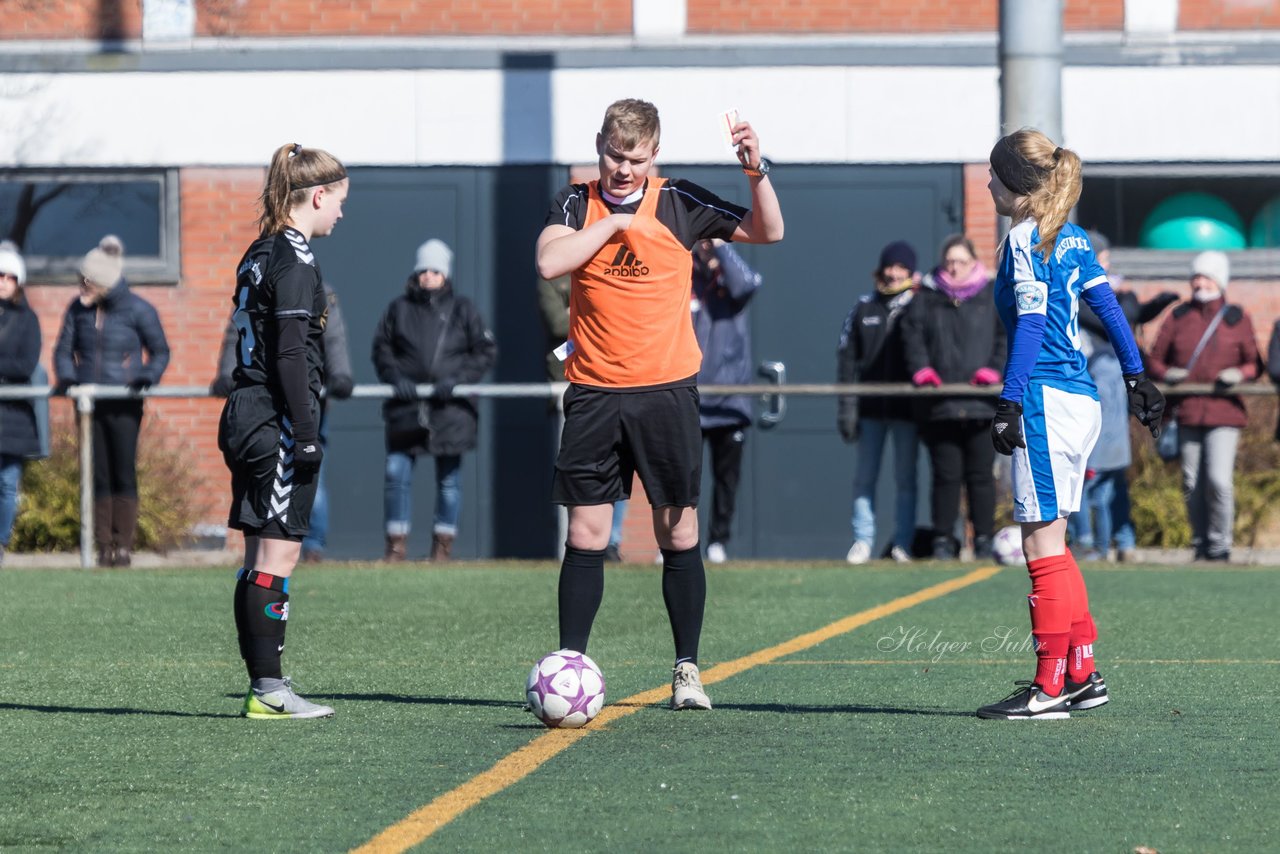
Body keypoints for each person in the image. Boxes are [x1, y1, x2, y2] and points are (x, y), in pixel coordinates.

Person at [535, 98, 783, 711]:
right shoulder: (575, 202)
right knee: (587, 533)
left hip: (667, 393)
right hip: (594, 393)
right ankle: (571, 663)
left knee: (679, 531)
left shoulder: (679, 200)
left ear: (655, 155)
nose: (624, 170)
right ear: (600, 146)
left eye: (637, 159)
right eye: (615, 156)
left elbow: (768, 231)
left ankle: (687, 670)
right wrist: (614, 226)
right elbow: (548, 262)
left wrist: (757, 170)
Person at [977, 129, 1163, 720]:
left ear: (1016, 184)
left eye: (994, 174)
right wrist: (1137, 378)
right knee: (1055, 541)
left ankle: (1049, 686)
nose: (986, 183)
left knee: (1039, 543)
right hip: (1081, 398)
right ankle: (1081, 675)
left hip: (1044, 397)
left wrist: (1008, 401)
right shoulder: (1075, 237)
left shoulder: (1024, 238)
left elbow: (1031, 327)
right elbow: (1109, 309)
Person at [217, 142, 348, 720]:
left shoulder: (258, 251)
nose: (342, 214)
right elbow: (291, 353)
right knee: (278, 558)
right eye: (340, 201)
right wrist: (307, 429)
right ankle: (269, 691)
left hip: (245, 409)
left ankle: (264, 685)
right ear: (317, 196)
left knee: (257, 558)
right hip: (273, 417)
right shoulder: (295, 260)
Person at [373, 238, 497, 562]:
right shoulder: (398, 310)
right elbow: (382, 350)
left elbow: (484, 352)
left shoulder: (464, 310)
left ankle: (442, 548)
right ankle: (395, 546)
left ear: (446, 274)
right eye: (423, 270)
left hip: (451, 412)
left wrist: (456, 381)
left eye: (435, 270)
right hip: (407, 409)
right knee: (396, 474)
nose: (428, 276)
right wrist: (396, 379)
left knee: (449, 481)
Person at [212, 281, 353, 563]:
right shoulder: (255, 286)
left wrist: (340, 374)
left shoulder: (318, 290)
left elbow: (332, 336)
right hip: (268, 400)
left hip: (308, 399)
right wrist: (227, 373)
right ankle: (270, 544)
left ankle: (313, 544)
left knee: (311, 471)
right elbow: (238, 333)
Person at [54, 235, 170, 568]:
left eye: (86, 281)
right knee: (97, 473)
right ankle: (101, 545)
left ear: (103, 282)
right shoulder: (77, 310)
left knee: (123, 470)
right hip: (89, 404)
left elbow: (160, 350)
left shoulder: (139, 309)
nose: (81, 287)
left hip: (124, 404)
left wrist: (146, 377)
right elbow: (63, 350)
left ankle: (123, 546)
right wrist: (68, 379)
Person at [1068, 232, 1179, 561]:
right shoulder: (1075, 293)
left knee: (1110, 474)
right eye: (1101, 257)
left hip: (1114, 397)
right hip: (1091, 388)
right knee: (1089, 475)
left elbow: (1130, 312)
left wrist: (1157, 303)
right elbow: (1111, 316)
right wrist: (1113, 299)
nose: (1107, 264)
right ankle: (1089, 541)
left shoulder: (1114, 290)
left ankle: (1117, 540)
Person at [1146, 251, 1258, 563]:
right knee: (1191, 481)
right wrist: (1167, 374)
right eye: (1196, 276)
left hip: (1225, 413)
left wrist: (1240, 374)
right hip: (1188, 411)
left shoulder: (1238, 317)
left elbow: (1254, 363)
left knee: (1219, 481)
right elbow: (1155, 359)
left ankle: (1221, 545)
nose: (1199, 282)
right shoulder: (1179, 317)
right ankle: (1200, 544)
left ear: (1220, 281)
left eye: (1206, 276)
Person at [901, 234, 1004, 560]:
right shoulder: (926, 297)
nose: (954, 268)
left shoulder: (991, 296)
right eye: (949, 262)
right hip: (940, 402)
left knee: (981, 476)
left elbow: (1005, 337)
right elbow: (912, 336)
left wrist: (994, 370)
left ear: (973, 263)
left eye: (961, 261)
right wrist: (921, 370)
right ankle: (943, 539)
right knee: (945, 477)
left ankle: (984, 539)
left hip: (981, 402)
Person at [537, 273, 629, 562]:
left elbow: (618, 315)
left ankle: (610, 541)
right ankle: (575, 539)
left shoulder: (601, 267)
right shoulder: (552, 276)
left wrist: (578, 311)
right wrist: (593, 313)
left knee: (617, 465)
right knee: (575, 468)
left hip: (610, 382)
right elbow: (557, 323)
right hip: (567, 383)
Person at [837, 240, 918, 565]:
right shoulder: (863, 307)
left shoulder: (919, 304)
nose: (893, 273)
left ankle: (903, 543)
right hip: (870, 410)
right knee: (865, 477)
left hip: (906, 411)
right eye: (889, 266)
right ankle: (862, 540)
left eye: (900, 267)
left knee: (905, 479)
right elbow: (845, 360)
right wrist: (847, 407)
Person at [692, 238, 762, 564]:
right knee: (681, 478)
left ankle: (718, 541)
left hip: (730, 402)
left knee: (726, 479)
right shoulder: (683, 276)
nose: (704, 245)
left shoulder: (733, 279)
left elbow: (747, 284)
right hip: (689, 397)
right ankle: (680, 542)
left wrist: (720, 246)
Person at [0, 242, 41, 566]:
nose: (2, 281)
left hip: (13, 417)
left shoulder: (28, 320)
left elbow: (25, 365)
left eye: (9, 276)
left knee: (7, 483)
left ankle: (1, 542)